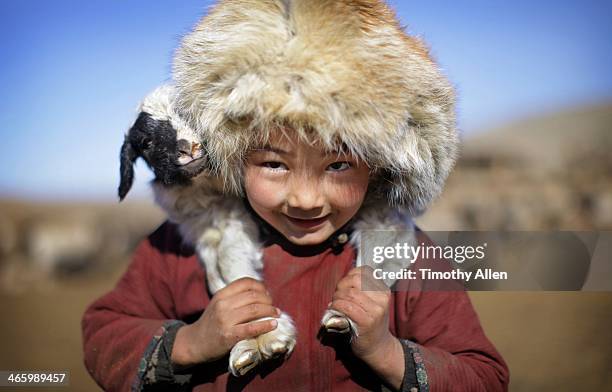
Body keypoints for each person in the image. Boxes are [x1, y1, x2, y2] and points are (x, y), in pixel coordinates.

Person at [82, 1, 509, 391]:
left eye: (338, 165)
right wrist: (192, 342)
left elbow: (485, 377)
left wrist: (386, 351)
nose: (305, 199)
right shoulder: (178, 249)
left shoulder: (411, 260)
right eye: (274, 164)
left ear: (381, 166)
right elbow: (104, 331)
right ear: (229, 157)